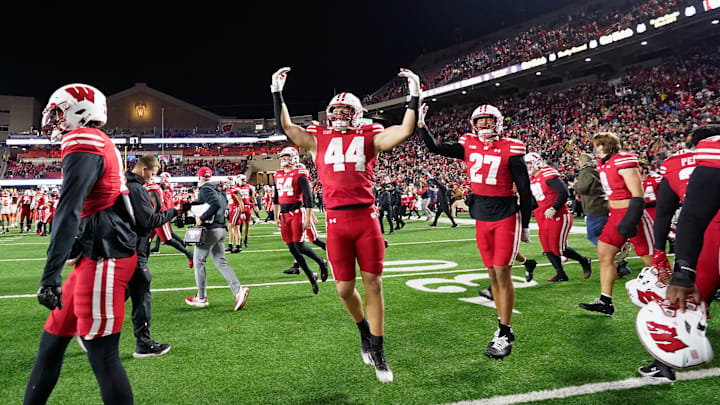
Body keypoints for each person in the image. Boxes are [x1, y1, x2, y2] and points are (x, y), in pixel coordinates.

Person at [272, 66, 420, 383]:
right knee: (343, 289)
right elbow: (286, 126)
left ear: (355, 113)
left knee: (374, 285)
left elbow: (405, 130)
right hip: (337, 220)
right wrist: (277, 93)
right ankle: (364, 330)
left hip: (366, 218)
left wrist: (414, 95)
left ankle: (379, 350)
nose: (338, 114)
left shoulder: (370, 135)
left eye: (344, 110)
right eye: (334, 110)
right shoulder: (317, 138)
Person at [24, 84, 137, 404]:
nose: (53, 121)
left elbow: (69, 208)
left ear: (80, 111)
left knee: (103, 356)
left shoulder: (83, 138)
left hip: (105, 258)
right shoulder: (100, 141)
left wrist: (50, 274)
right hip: (97, 253)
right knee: (51, 343)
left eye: (58, 113)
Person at [419, 102, 532, 360]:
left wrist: (525, 224)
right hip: (481, 214)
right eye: (479, 121)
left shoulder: (512, 148)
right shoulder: (469, 143)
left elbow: (524, 190)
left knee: (503, 272)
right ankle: (502, 322)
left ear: (498, 122)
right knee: (492, 272)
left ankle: (504, 331)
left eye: (488, 120)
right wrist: (421, 125)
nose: (483, 125)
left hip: (505, 213)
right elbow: (433, 147)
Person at [635, 124, 720, 382]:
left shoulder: (677, 163)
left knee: (686, 301)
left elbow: (669, 213)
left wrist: (661, 252)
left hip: (708, 236)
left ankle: (664, 364)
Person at [579, 133, 653, 315]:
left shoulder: (623, 160)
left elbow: (637, 193)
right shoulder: (602, 163)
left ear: (605, 145)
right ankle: (605, 301)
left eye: (597, 145)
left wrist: (631, 219)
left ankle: (678, 294)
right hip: (615, 215)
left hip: (632, 213)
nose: (595, 149)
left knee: (651, 258)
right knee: (604, 254)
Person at [125, 155, 186, 358]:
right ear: (144, 170)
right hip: (134, 249)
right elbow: (148, 221)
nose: (152, 178)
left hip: (124, 247)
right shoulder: (137, 189)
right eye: (151, 173)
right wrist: (173, 212)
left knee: (119, 295)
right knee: (141, 295)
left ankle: (87, 328)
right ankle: (144, 344)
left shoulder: (124, 184)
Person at [185, 167, 249, 311]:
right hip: (220, 228)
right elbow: (222, 204)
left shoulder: (205, 189)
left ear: (199, 177)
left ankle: (201, 297)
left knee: (198, 262)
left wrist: (201, 217)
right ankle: (238, 290)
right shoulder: (217, 189)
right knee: (221, 261)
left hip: (210, 229)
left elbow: (215, 204)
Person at [525, 153, 592, 282]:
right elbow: (536, 201)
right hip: (543, 216)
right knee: (547, 247)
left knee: (558, 248)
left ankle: (583, 260)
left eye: (528, 163)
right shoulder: (532, 178)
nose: (527, 166)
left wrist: (554, 207)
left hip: (558, 214)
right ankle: (561, 273)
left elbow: (563, 192)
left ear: (536, 163)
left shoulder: (547, 174)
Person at [273, 146, 328, 293]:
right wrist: (276, 215)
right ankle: (311, 276)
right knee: (293, 249)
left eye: (287, 157)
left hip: (297, 213)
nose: (284, 160)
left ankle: (321, 262)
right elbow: (276, 197)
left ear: (294, 158)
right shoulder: (277, 174)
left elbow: (309, 198)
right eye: (283, 157)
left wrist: (308, 218)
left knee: (300, 246)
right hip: (284, 216)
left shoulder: (300, 174)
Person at [145, 177, 193, 267]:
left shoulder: (151, 187)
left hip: (159, 216)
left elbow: (158, 206)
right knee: (147, 240)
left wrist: (154, 216)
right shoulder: (154, 187)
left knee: (167, 239)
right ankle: (143, 264)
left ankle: (189, 254)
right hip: (155, 216)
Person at [573, 152, 609, 246]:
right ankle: (617, 252)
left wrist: (575, 185)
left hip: (594, 207)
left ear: (582, 162)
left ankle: (613, 252)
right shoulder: (596, 170)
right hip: (602, 205)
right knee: (604, 234)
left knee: (592, 236)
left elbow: (583, 188)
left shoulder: (586, 172)